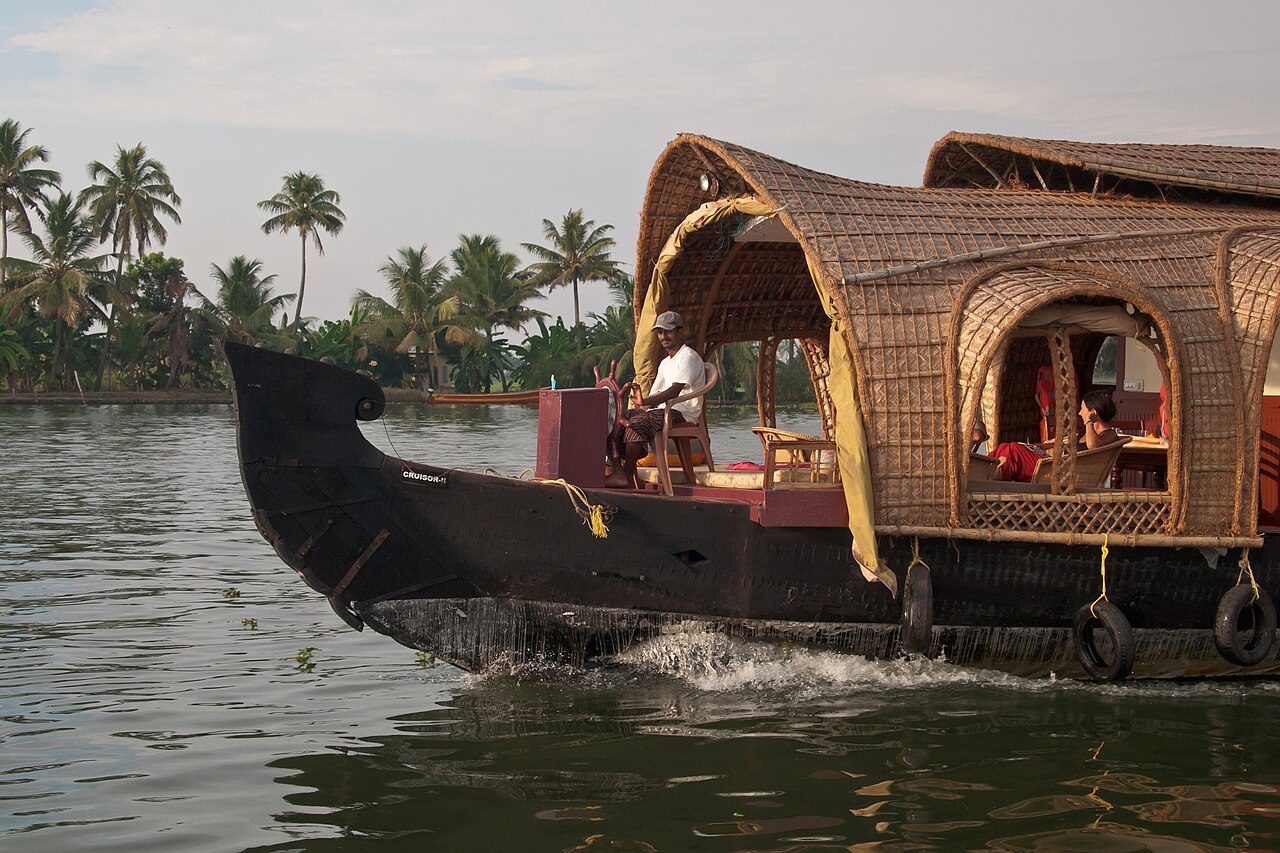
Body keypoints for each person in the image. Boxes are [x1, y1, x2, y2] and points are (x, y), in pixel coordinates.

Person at [605, 311, 705, 487]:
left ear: (680, 332)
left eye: (668, 331)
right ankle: (618, 471)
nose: (663, 336)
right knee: (615, 421)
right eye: (660, 332)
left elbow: (674, 391)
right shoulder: (665, 362)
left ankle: (626, 478)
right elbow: (655, 393)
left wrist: (647, 403)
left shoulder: (688, 357)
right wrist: (640, 402)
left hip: (682, 413)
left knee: (636, 424)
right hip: (663, 410)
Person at [992, 389, 1119, 482]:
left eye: (1082, 409)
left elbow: (1092, 446)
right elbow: (1067, 445)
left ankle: (988, 479)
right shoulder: (1087, 431)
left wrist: (1089, 421)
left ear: (1093, 412)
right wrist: (1041, 446)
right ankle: (986, 473)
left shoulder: (1109, 435)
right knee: (1004, 447)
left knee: (1013, 450)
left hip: (1064, 476)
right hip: (1056, 467)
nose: (1080, 413)